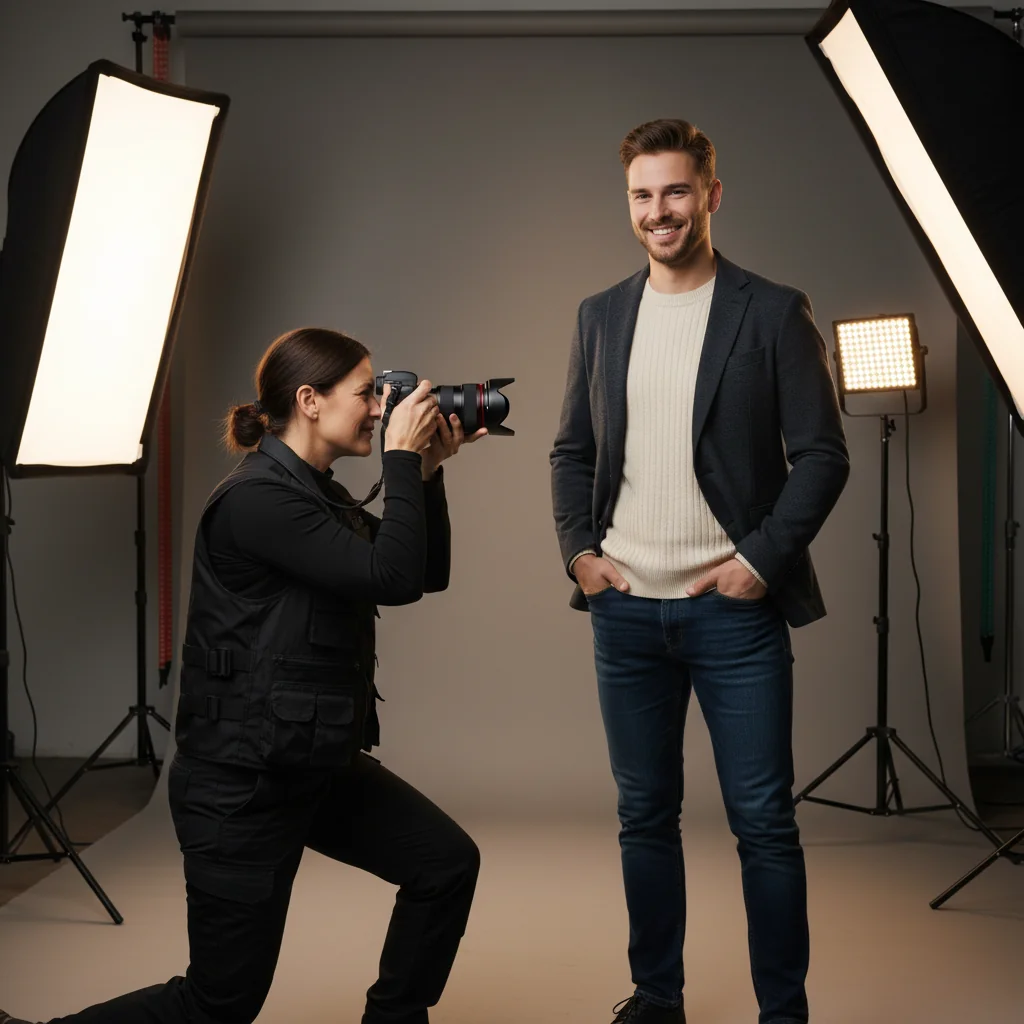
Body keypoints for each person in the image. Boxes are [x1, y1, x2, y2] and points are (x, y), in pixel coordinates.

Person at [3, 327, 486, 1024]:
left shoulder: (315, 496)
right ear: (310, 401)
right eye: (366, 392)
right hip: (241, 786)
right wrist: (403, 462)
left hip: (307, 765)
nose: (381, 408)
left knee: (444, 864)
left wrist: (428, 471)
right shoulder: (261, 500)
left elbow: (422, 571)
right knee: (220, 1002)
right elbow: (393, 578)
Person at [550, 120, 850, 1024]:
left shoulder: (772, 309)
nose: (658, 212)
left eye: (675, 192)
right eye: (643, 196)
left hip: (733, 614)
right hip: (626, 611)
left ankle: (783, 1012)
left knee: (764, 824)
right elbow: (572, 449)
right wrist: (579, 554)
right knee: (645, 817)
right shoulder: (599, 316)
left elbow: (824, 455)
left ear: (711, 196)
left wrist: (761, 559)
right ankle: (656, 998)